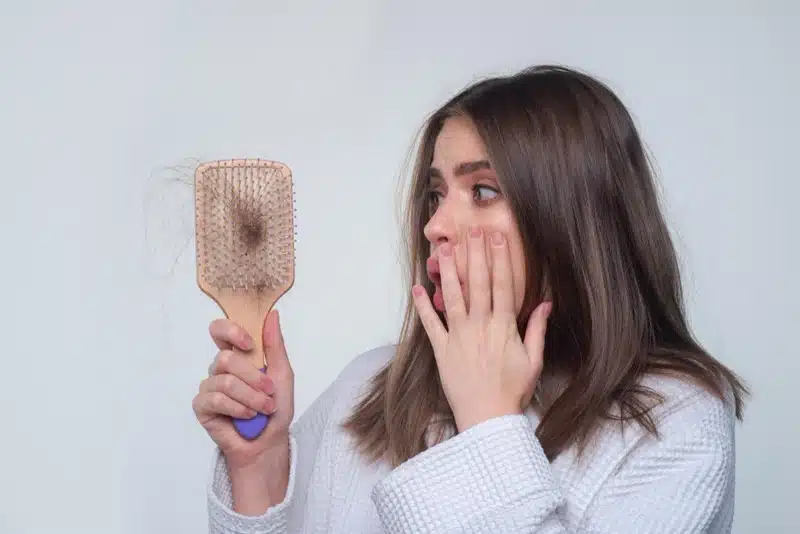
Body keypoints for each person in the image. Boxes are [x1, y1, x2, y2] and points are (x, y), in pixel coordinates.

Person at [192, 64, 749, 533]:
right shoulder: (368, 385)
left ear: (576, 221)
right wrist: (259, 467)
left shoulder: (676, 424)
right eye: (436, 193)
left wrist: (486, 423)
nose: (436, 224)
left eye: (482, 191)